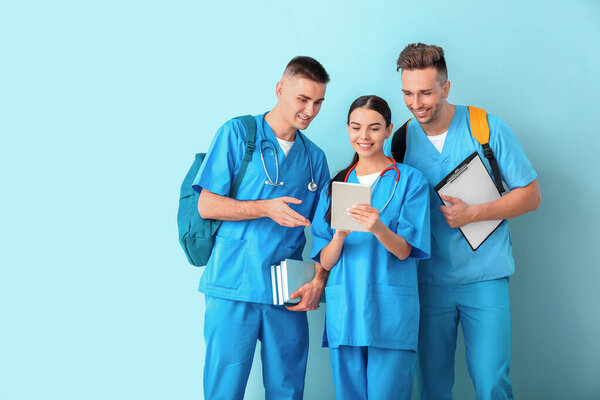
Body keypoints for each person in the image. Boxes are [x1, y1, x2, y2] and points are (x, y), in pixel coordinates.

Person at [386, 43, 542, 400]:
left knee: (491, 382)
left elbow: (531, 195)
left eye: (426, 92)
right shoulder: (400, 142)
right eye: (407, 93)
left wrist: (474, 213)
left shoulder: (484, 127)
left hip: (484, 278)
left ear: (446, 87)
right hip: (427, 282)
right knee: (432, 386)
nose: (416, 102)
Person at [193, 56, 332, 400]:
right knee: (223, 389)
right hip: (233, 282)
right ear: (280, 89)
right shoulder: (239, 134)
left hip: (288, 287)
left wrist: (319, 279)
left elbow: (328, 231)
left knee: (288, 388)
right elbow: (207, 205)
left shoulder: (315, 158)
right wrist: (266, 208)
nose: (310, 111)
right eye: (302, 99)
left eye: (318, 103)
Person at [311, 95, 431, 400]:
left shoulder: (410, 181)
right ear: (348, 129)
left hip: (390, 314)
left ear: (388, 130)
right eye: (356, 127)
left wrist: (378, 227)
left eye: (374, 128)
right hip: (346, 311)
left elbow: (405, 251)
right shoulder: (337, 185)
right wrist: (338, 236)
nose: (364, 137)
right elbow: (325, 260)